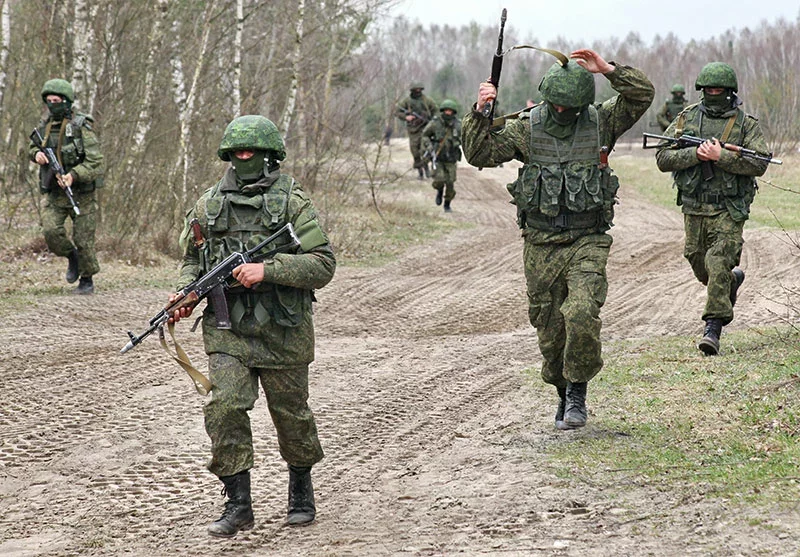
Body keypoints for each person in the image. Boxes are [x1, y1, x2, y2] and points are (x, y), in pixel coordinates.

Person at [462, 49, 654, 430]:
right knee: (549, 330)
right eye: (557, 105)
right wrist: (480, 110)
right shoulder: (527, 127)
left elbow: (642, 94)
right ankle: (562, 389)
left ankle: (578, 390)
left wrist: (608, 70)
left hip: (587, 239)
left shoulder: (601, 121)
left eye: (571, 107)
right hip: (541, 242)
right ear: (546, 97)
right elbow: (479, 153)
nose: (563, 113)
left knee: (582, 312)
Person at [169, 115, 336, 537]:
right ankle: (238, 502)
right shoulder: (209, 204)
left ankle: (300, 488)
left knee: (291, 415)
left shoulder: (292, 201)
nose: (244, 158)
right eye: (237, 152)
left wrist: (269, 269)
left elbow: (323, 264)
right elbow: (194, 260)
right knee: (224, 407)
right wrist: (185, 294)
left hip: (284, 327)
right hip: (228, 329)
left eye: (252, 152)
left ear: (269, 157)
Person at [655, 62, 768, 355]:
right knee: (698, 260)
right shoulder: (685, 119)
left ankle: (712, 329)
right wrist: (694, 154)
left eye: (718, 89)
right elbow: (663, 157)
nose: (713, 93)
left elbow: (760, 163)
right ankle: (731, 281)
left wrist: (721, 157)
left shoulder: (745, 125)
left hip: (729, 209)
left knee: (718, 261)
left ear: (730, 92)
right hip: (694, 207)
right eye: (708, 89)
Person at [29, 78, 103, 294]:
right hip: (54, 192)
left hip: (82, 193)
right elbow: (30, 147)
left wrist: (73, 175)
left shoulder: (82, 127)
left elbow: (96, 162)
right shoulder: (45, 126)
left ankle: (87, 279)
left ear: (67, 101)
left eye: (57, 100)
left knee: (84, 238)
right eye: (49, 101)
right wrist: (37, 155)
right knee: (51, 231)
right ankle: (72, 257)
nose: (53, 104)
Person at [421, 99, 462, 212]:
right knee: (439, 180)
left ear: (454, 112)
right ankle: (439, 191)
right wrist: (429, 146)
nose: (448, 113)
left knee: (450, 182)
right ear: (442, 111)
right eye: (446, 111)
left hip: (451, 158)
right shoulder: (435, 123)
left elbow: (465, 138)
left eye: (450, 111)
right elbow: (425, 135)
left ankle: (447, 204)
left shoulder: (458, 125)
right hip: (438, 157)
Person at [395, 82, 438, 180]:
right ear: (412, 90)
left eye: (419, 90)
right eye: (416, 90)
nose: (418, 91)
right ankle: (420, 171)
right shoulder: (407, 101)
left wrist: (433, 121)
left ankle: (426, 168)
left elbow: (436, 111)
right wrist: (406, 117)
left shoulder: (427, 100)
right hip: (413, 130)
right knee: (415, 152)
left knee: (425, 150)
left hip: (425, 129)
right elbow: (397, 112)